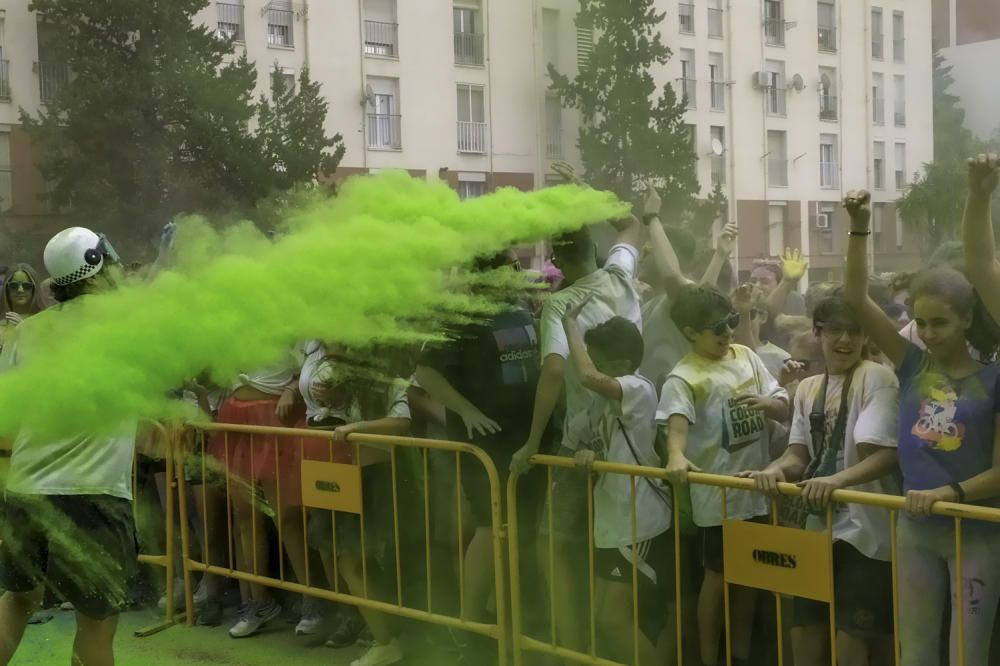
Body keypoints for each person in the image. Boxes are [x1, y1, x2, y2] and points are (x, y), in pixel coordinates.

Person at [845, 189, 1000, 666]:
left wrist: (947, 494)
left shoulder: (993, 381)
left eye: (941, 322)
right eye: (920, 322)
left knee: (966, 656)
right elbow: (855, 296)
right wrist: (859, 225)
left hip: (975, 532)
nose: (928, 333)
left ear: (968, 318)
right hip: (915, 529)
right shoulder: (912, 366)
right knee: (913, 654)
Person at [509, 163, 642, 656]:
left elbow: (550, 375)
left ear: (558, 259)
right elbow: (631, 224)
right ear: (594, 247)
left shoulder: (558, 305)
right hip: (633, 432)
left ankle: (570, 646)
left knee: (554, 546)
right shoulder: (621, 275)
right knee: (617, 555)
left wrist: (529, 443)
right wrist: (587, 194)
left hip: (581, 440)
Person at [737, 296, 900, 666]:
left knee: (854, 637)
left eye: (853, 331)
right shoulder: (809, 388)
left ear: (864, 336)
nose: (844, 340)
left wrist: (837, 480)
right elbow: (797, 455)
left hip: (868, 532)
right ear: (818, 333)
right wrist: (772, 471)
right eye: (834, 331)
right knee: (804, 629)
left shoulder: (877, 377)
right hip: (817, 527)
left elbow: (889, 454)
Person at [0, 227, 137, 666]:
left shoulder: (26, 333)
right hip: (94, 495)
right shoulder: (131, 321)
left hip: (26, 491)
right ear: (94, 269)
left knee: (18, 600)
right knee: (95, 623)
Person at [414, 250, 539, 649]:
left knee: (515, 530)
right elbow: (424, 373)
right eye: (511, 267)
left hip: (525, 442)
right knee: (489, 527)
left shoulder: (520, 310)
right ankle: (469, 626)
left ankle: (500, 614)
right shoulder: (463, 317)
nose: (519, 272)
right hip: (487, 447)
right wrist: (465, 410)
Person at [659, 283, 789, 666]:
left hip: (757, 487)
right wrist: (676, 456)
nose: (728, 333)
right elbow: (676, 429)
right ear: (689, 333)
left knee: (750, 576)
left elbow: (782, 403)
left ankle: (741, 654)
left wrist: (769, 403)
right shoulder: (682, 376)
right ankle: (709, 657)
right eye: (717, 328)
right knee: (716, 579)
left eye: (731, 322)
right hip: (718, 497)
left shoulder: (747, 355)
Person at [561, 296, 672, 664]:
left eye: (598, 359)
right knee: (606, 617)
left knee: (613, 619)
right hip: (610, 522)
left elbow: (589, 376)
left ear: (623, 365)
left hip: (638, 520)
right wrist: (583, 453)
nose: (590, 366)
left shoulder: (638, 389)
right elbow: (574, 441)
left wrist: (569, 326)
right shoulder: (596, 404)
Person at [302, 349, 411, 666]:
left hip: (376, 479)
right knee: (353, 561)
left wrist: (357, 427)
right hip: (351, 477)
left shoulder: (390, 378)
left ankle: (386, 640)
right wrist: (330, 397)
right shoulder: (351, 378)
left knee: (357, 561)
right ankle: (385, 635)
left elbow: (402, 420)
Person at [0, 263, 45, 353]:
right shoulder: (1, 323)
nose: (20, 290)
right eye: (14, 286)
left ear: (34, 288)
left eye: (27, 286)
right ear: (7, 289)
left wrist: (25, 330)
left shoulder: (46, 319)